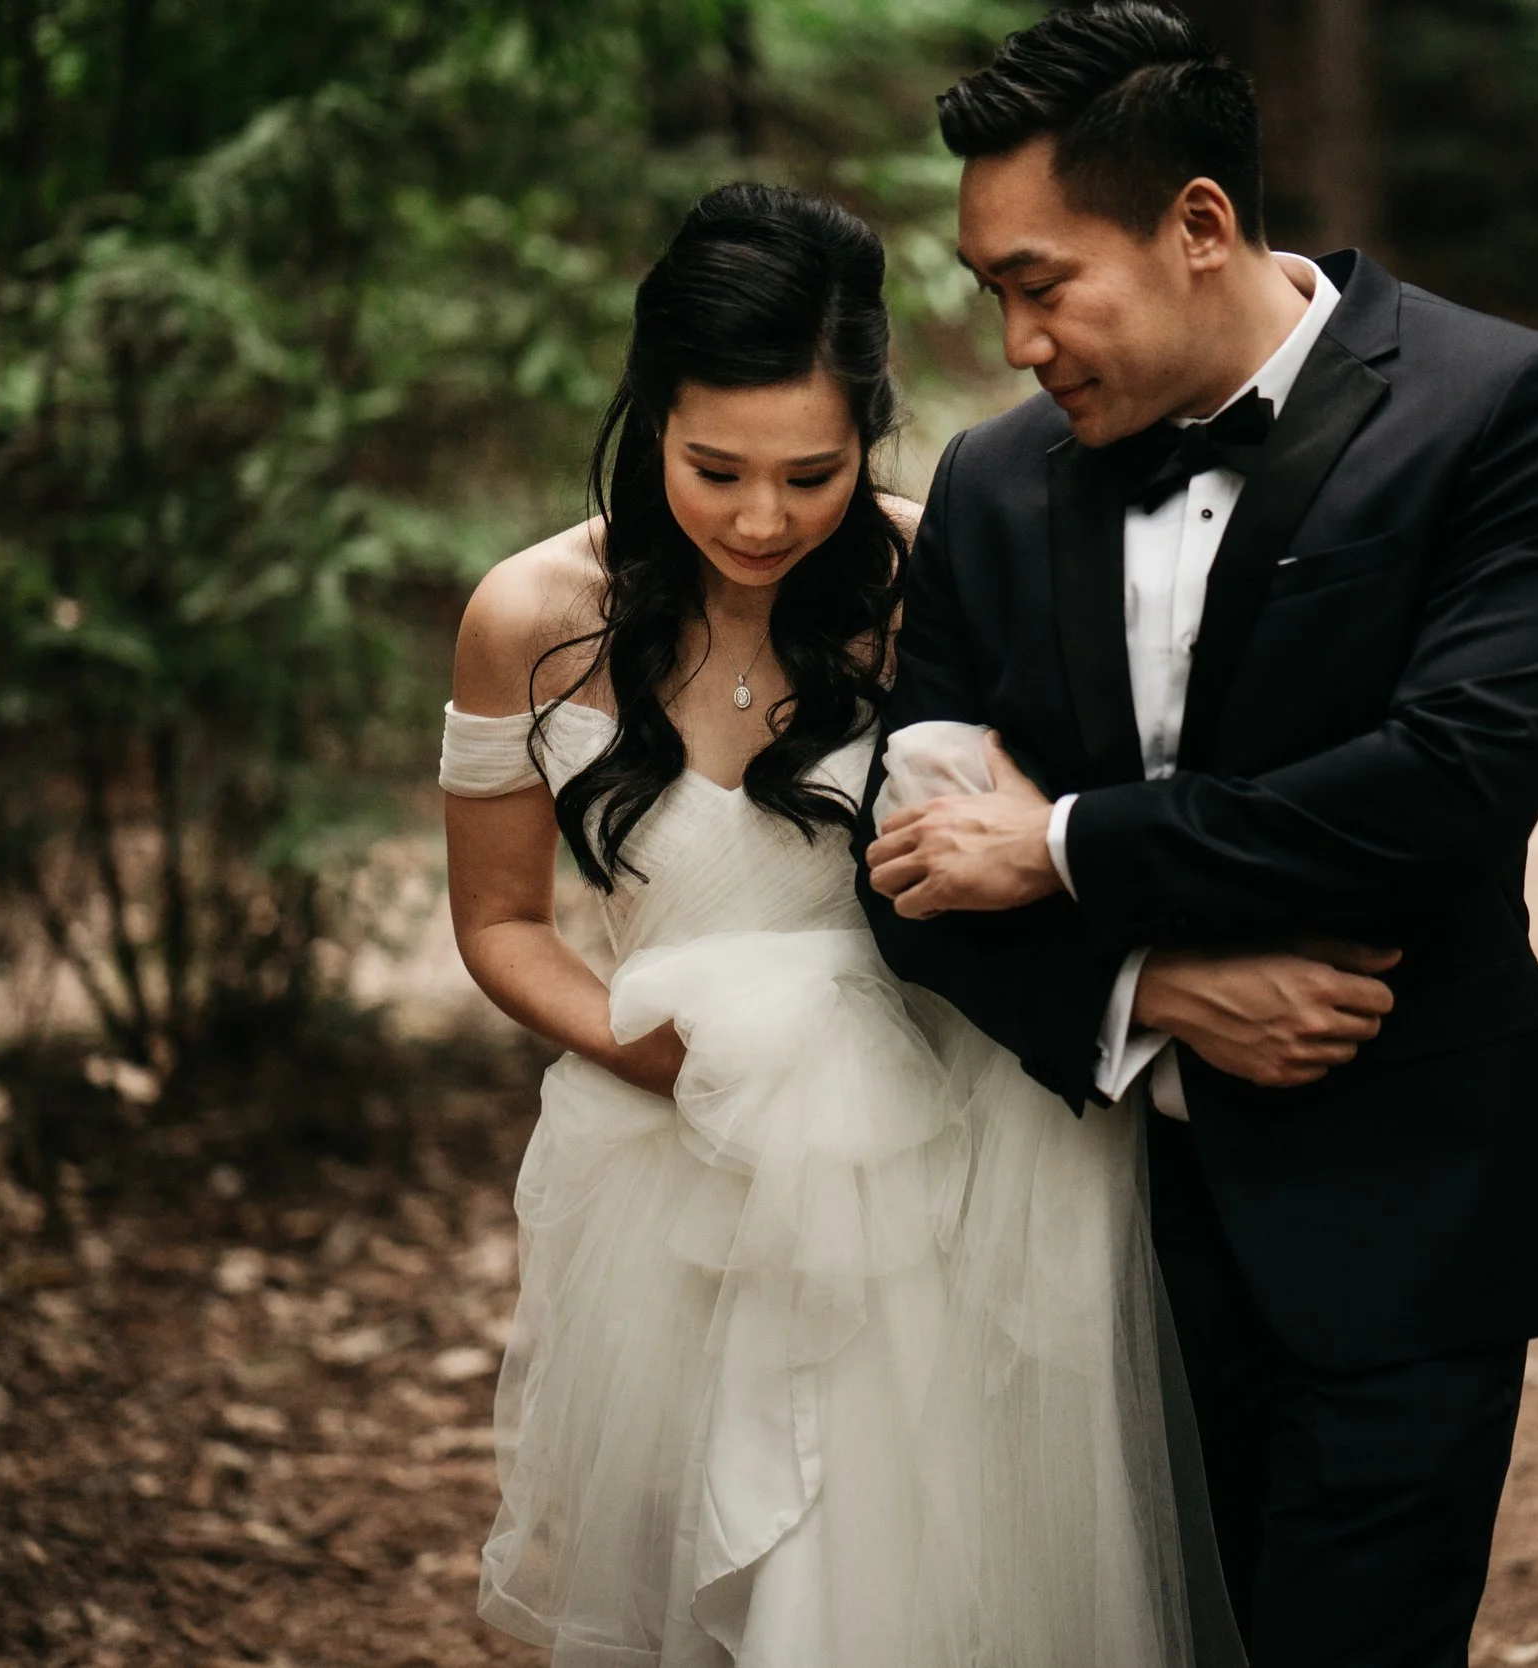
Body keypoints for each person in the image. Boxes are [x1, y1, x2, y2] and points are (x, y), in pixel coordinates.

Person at [858, 7, 1538, 1665]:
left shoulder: (1510, 409)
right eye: (988, 290)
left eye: (1039, 281)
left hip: (1409, 1204)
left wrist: (1067, 846)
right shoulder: (995, 489)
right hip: (1092, 1241)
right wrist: (1144, 989)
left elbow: (1448, 784)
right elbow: (913, 875)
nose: (1013, 342)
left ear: (1201, 224)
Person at [443, 182, 1218, 1668]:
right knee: (708, 1576)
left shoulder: (944, 577)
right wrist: (673, 1060)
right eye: (712, 467)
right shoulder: (526, 615)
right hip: (677, 1167)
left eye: (812, 474)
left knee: (911, 1580)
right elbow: (499, 925)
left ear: (871, 432)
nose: (759, 518)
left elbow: (1047, 844)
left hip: (945, 1162)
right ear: (646, 414)